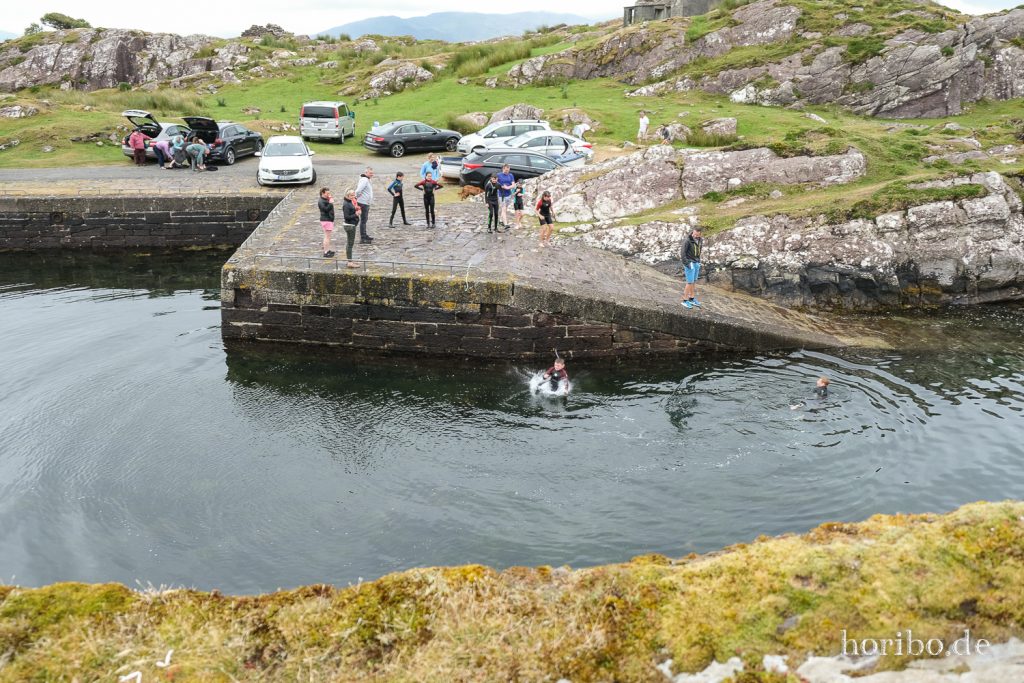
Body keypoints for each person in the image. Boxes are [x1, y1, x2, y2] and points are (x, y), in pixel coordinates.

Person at [680, 225, 703, 309]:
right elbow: (682, 254)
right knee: (689, 282)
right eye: (694, 234)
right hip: (690, 263)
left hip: (696, 262)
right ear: (693, 231)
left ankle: (691, 298)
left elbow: (699, 251)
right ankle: (685, 300)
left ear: (700, 234)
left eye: (697, 235)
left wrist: (698, 261)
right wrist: (688, 264)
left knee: (693, 281)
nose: (695, 236)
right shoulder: (687, 240)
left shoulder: (700, 240)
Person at [341, 190, 361, 268]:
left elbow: (351, 211)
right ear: (347, 196)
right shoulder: (346, 204)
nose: (353, 197)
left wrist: (356, 209)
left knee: (349, 244)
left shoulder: (350, 202)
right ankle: (349, 262)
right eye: (352, 195)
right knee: (350, 244)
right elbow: (347, 217)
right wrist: (356, 214)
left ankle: (350, 260)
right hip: (350, 226)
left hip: (351, 225)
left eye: (354, 195)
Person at [355, 167, 374, 243]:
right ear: (366, 173)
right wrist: (358, 198)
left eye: (372, 173)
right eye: (370, 173)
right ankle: (363, 238)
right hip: (363, 203)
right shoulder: (364, 180)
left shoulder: (367, 179)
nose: (372, 174)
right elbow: (358, 191)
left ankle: (364, 235)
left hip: (366, 202)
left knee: (365, 220)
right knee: (363, 220)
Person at [318, 187, 336, 258]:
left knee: (328, 236)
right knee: (327, 237)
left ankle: (328, 250)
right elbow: (325, 209)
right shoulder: (321, 201)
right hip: (326, 220)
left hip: (328, 219)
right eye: (327, 193)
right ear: (323, 193)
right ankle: (326, 252)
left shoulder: (325, 199)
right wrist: (330, 203)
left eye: (329, 193)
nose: (329, 194)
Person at [497, 164, 515, 228]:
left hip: (508, 195)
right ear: (503, 169)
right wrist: (501, 187)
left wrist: (507, 187)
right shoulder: (499, 175)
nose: (507, 171)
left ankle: (501, 221)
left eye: (508, 170)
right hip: (501, 195)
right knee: (504, 209)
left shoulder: (511, 175)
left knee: (505, 209)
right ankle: (506, 224)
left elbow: (513, 185)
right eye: (505, 170)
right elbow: (495, 183)